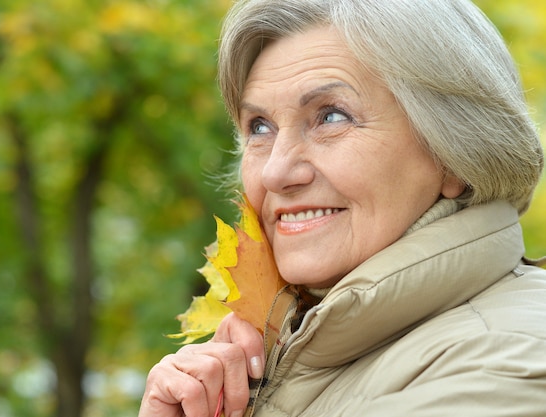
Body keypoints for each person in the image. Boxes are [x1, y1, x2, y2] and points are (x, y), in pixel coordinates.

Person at [139, 0, 546, 416]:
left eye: (331, 117)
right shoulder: (279, 354)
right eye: (260, 127)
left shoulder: (506, 362)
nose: (275, 172)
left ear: (454, 154)